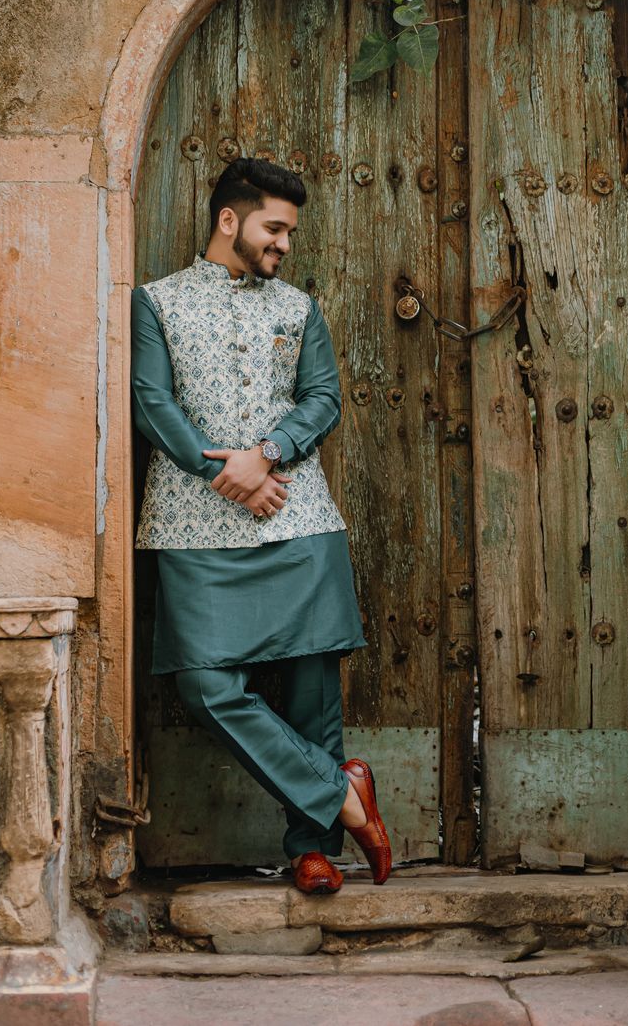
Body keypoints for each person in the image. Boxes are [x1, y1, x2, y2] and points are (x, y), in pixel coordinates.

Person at [131, 156, 391, 894]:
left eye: (289, 232)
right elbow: (153, 401)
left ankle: (313, 848)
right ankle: (341, 790)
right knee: (205, 685)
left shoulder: (298, 307)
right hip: (192, 524)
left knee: (312, 687)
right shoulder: (156, 303)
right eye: (274, 227)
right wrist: (221, 472)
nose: (283, 243)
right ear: (229, 219)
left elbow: (323, 398)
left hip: (298, 515)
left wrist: (268, 454)